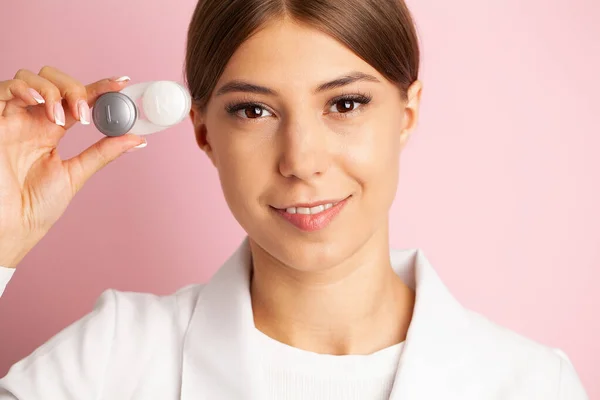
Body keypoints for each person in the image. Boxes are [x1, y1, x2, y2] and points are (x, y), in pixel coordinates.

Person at [0, 0, 589, 399]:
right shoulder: (108, 362)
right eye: (253, 110)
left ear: (406, 115)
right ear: (204, 131)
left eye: (345, 104)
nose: (301, 160)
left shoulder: (530, 384)